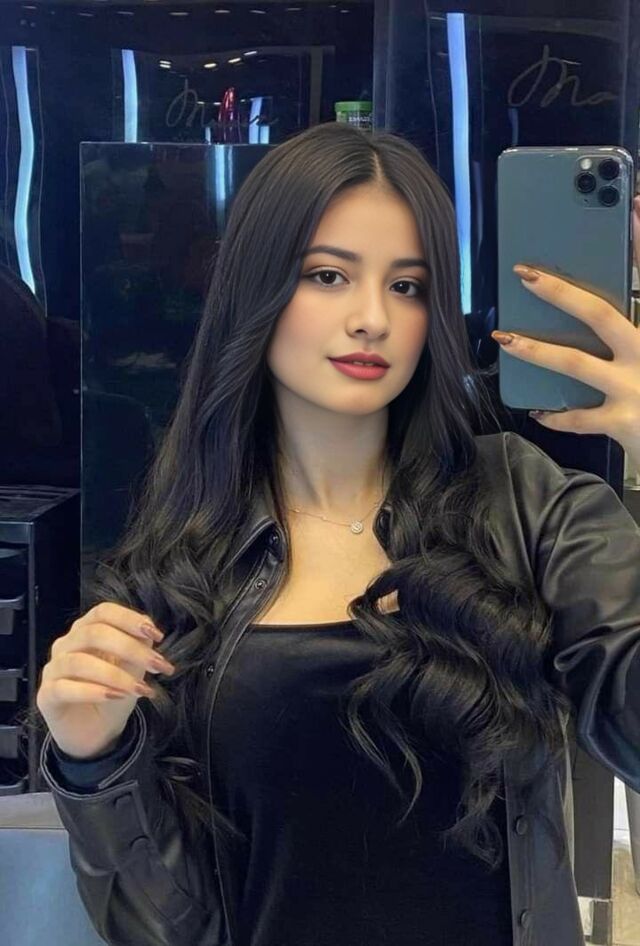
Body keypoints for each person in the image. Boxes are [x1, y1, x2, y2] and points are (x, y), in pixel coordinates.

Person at [35, 122, 640, 946]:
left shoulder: (524, 506)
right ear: (256, 285)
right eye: (328, 275)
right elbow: (167, 929)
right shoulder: (177, 566)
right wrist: (92, 761)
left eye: (408, 286)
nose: (372, 319)